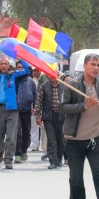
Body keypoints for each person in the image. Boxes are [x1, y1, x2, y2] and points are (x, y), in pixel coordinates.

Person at [59, 53, 99, 198]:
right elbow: (62, 108)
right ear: (84, 66)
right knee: (76, 180)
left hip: (96, 139)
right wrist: (84, 105)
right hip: (74, 140)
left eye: (98, 65)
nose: (96, 68)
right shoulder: (73, 85)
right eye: (93, 64)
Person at [0, 55, 31, 169]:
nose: (3, 66)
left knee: (11, 136)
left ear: (9, 65)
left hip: (13, 109)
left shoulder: (14, 75)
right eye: (1, 64)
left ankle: (8, 159)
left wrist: (20, 57)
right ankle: (1, 149)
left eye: (6, 64)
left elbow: (28, 70)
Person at [35, 73, 65, 169]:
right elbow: (39, 102)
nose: (53, 76)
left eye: (55, 74)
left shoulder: (64, 86)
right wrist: (38, 116)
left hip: (61, 116)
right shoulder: (44, 86)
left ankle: (59, 159)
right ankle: (53, 161)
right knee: (51, 139)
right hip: (48, 116)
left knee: (60, 139)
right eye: (50, 74)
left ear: (58, 75)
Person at [14, 61, 37, 163]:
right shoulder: (15, 79)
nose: (21, 69)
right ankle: (17, 153)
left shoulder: (30, 81)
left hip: (27, 110)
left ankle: (24, 150)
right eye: (19, 67)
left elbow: (35, 94)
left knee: (26, 132)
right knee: (18, 132)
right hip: (16, 110)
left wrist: (35, 106)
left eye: (22, 67)